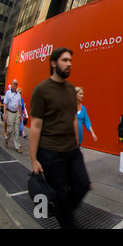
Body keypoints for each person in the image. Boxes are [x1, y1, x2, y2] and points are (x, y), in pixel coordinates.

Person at [29, 47, 90, 229]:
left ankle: (60, 211)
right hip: (50, 152)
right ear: (53, 63)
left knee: (83, 186)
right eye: (65, 60)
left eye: (70, 60)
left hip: (72, 150)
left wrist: (77, 144)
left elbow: (72, 118)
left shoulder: (71, 89)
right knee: (62, 192)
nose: (69, 64)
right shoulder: (41, 90)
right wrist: (34, 159)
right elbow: (35, 125)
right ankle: (67, 222)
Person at [3, 79, 22, 153]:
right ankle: (6, 139)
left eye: (16, 84)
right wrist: (4, 113)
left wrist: (20, 115)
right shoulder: (8, 93)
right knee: (10, 129)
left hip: (16, 112)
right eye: (14, 84)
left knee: (16, 130)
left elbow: (20, 105)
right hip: (9, 112)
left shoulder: (18, 94)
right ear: (12, 84)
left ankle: (17, 147)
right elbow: (5, 103)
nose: (15, 85)